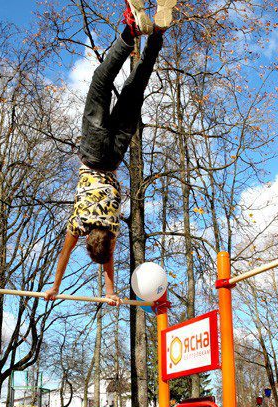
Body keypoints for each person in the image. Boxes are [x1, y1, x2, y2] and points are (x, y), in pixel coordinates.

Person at [44, 0, 175, 305]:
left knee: (134, 87)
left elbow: (108, 262)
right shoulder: (79, 225)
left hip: (116, 154)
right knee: (101, 82)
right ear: (88, 241)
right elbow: (65, 256)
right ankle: (130, 32)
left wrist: (112, 291)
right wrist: (56, 286)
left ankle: (156, 35)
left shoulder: (113, 229)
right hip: (92, 152)